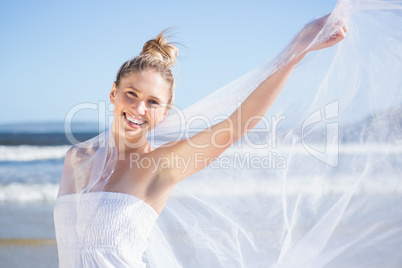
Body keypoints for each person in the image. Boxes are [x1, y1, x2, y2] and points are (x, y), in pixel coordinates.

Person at [54, 1, 402, 267]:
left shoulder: (161, 165)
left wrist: (297, 50)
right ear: (113, 93)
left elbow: (238, 124)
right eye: (131, 94)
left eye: (153, 102)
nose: (139, 109)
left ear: (165, 113)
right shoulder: (77, 160)